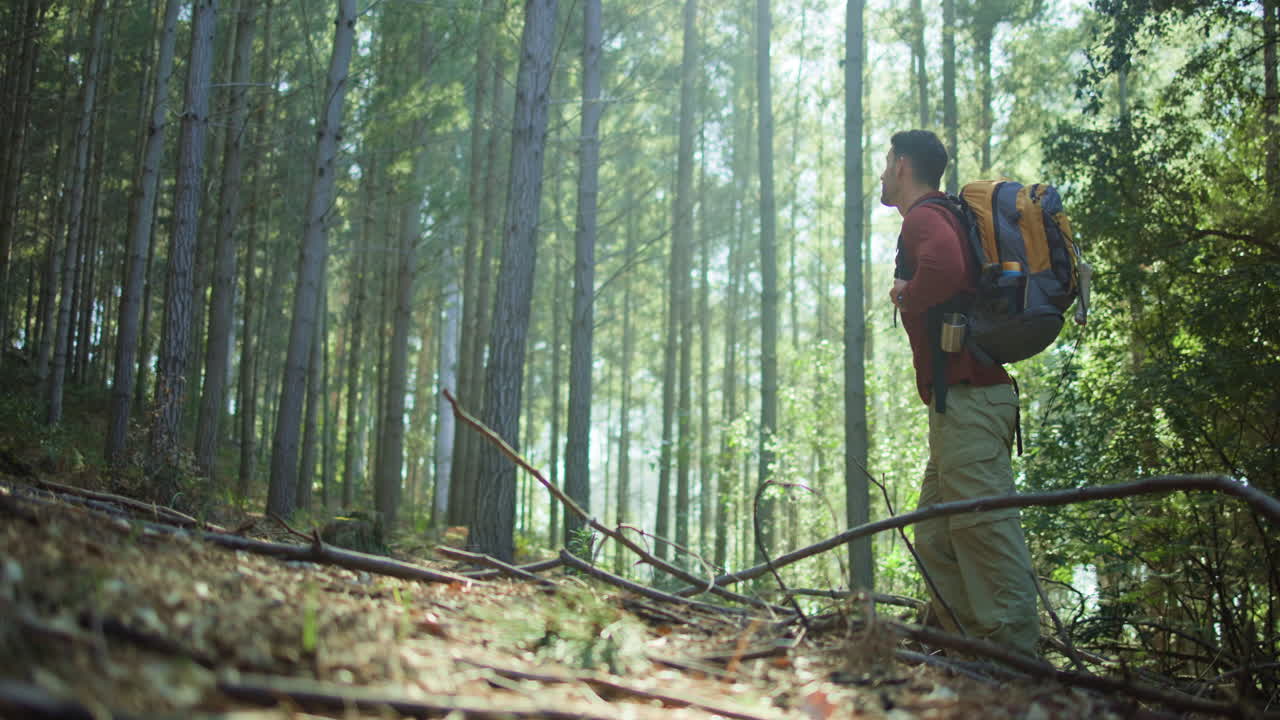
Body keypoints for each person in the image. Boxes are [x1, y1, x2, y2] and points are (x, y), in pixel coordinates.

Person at [881, 129, 1039, 658]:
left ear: (902, 165)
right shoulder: (938, 216)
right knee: (937, 537)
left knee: (983, 530)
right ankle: (968, 656)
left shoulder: (925, 216)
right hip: (960, 406)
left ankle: (1015, 666)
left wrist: (907, 295)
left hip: (972, 399)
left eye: (885, 162)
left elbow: (945, 269)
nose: (882, 173)